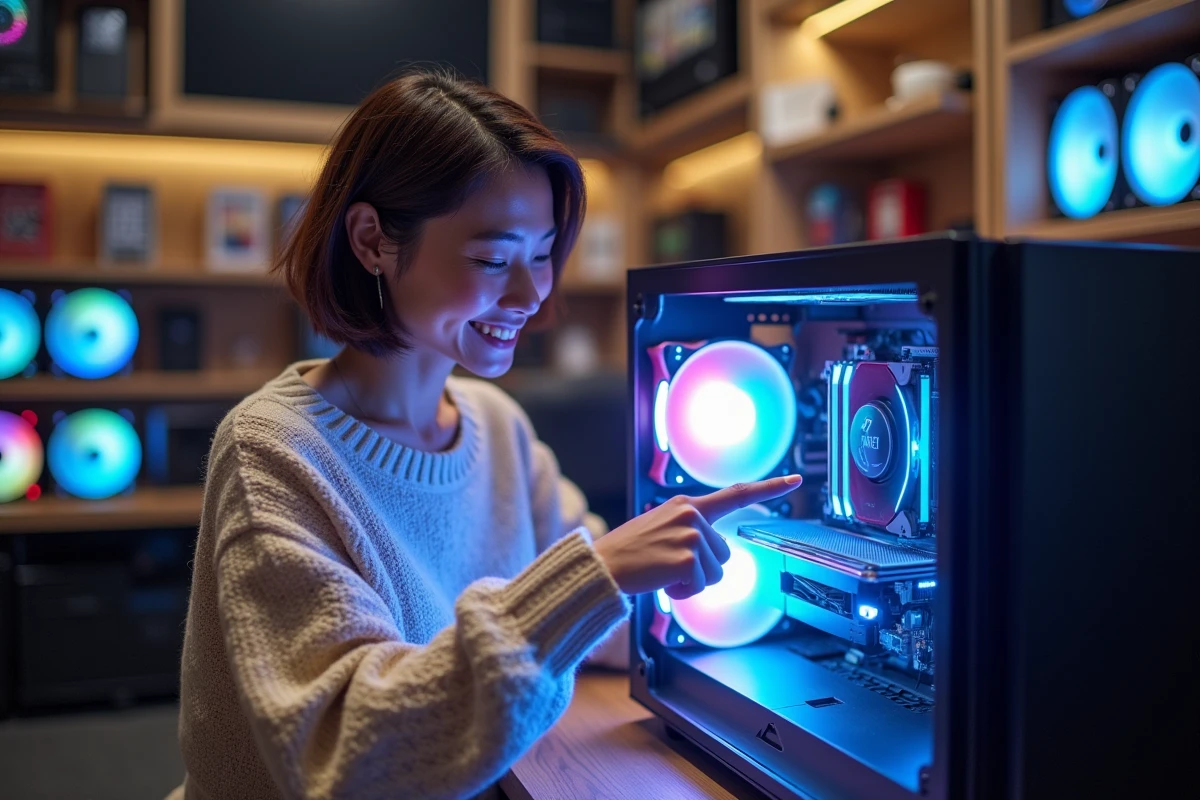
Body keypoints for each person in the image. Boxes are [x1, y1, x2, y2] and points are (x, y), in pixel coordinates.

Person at [170, 70, 801, 800]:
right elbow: (353, 757)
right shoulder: (272, 452)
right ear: (373, 240)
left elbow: (594, 622)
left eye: (541, 253)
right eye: (494, 259)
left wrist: (768, 600)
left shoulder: (497, 426)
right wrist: (599, 576)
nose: (531, 293)